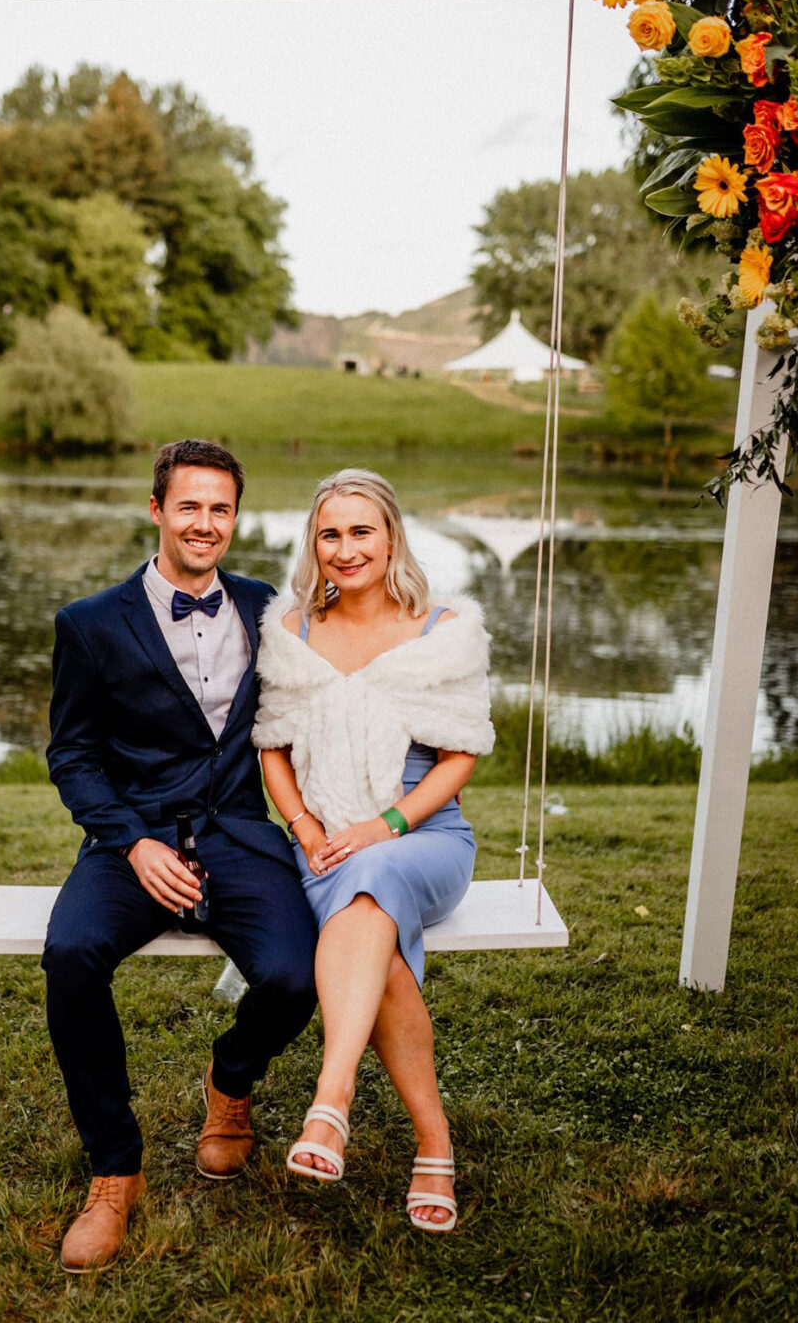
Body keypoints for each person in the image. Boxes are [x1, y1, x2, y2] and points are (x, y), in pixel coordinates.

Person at [44, 438, 318, 1274]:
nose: (205, 523)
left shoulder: (271, 608)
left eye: (221, 508)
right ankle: (113, 1169)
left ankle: (229, 1084)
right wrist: (130, 842)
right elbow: (73, 757)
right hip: (135, 839)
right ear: (157, 509)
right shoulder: (89, 624)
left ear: (236, 518)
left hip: (238, 836)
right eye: (189, 506)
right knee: (71, 954)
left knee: (296, 975)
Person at [253, 467, 494, 1232]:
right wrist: (307, 828)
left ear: (391, 537)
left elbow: (462, 755)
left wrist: (384, 825)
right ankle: (434, 1142)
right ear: (314, 545)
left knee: (376, 875)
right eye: (332, 533)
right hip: (324, 842)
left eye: (362, 531)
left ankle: (332, 1100)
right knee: (370, 928)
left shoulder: (443, 630)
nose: (347, 547)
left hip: (422, 836)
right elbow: (273, 749)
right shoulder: (290, 632)